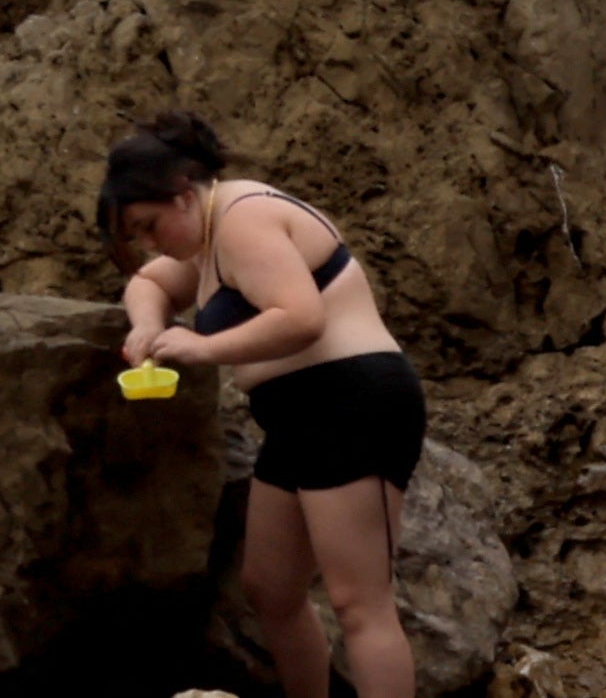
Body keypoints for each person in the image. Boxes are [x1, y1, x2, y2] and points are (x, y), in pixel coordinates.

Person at [104, 113, 425, 698]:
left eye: (150, 226)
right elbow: (149, 284)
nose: (150, 243)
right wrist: (149, 328)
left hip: (354, 402)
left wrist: (203, 347)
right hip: (296, 418)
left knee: (361, 601)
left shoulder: (242, 218)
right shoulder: (207, 237)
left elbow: (301, 317)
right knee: (270, 588)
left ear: (181, 197)